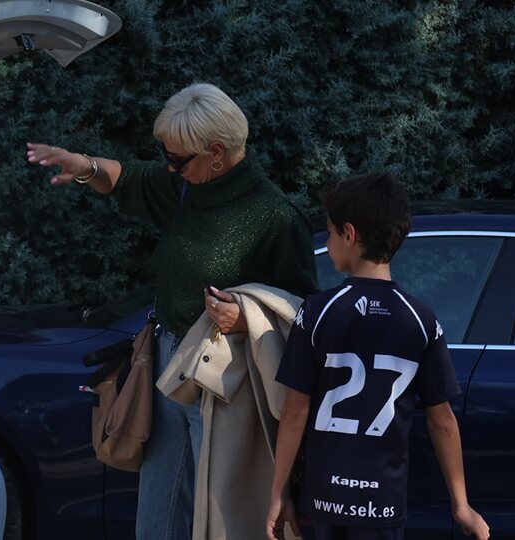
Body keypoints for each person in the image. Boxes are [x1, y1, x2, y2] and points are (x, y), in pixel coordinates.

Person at [27, 82, 317, 539]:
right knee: (156, 516)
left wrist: (245, 319)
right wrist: (84, 166)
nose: (170, 166)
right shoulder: (186, 188)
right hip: (165, 364)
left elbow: (300, 316)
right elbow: (129, 179)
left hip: (224, 382)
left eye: (178, 159)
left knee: (218, 520)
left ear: (216, 152)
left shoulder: (275, 218)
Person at [266, 173, 490, 540]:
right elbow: (443, 421)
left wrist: (278, 493)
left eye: (331, 233)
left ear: (349, 235)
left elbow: (295, 412)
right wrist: (460, 505)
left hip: (325, 499)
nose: (331, 243)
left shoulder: (318, 311)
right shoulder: (421, 319)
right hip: (382, 505)